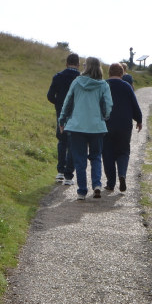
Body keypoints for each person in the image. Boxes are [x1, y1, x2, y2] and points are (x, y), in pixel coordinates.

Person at [58, 57, 112, 201]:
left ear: (86, 67)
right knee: (96, 157)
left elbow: (68, 102)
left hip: (77, 126)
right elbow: (108, 105)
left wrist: (62, 119)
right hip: (96, 127)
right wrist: (104, 117)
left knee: (80, 159)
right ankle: (97, 184)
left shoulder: (76, 82)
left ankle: (82, 191)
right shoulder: (103, 85)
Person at [103, 63, 142, 194]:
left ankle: (110, 183)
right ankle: (122, 175)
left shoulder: (104, 85)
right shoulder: (127, 86)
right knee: (123, 151)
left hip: (106, 124)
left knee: (107, 152)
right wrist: (139, 120)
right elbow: (134, 105)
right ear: (122, 74)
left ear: (109, 73)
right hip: (125, 125)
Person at [47, 52, 80, 184]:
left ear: (66, 63)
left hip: (61, 113)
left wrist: (59, 104)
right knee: (73, 143)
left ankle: (60, 171)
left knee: (62, 141)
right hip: (76, 114)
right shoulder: (80, 78)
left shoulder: (58, 77)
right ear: (78, 65)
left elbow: (50, 96)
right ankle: (68, 175)